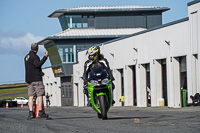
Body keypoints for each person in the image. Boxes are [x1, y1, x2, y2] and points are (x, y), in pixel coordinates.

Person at [24, 43, 49, 119]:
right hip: (36, 80)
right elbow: (38, 64)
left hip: (29, 79)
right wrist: (45, 57)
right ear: (37, 49)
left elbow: (33, 67)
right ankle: (41, 112)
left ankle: (31, 113)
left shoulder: (26, 57)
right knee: (40, 95)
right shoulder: (35, 57)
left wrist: (39, 72)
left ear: (31, 48)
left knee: (31, 96)